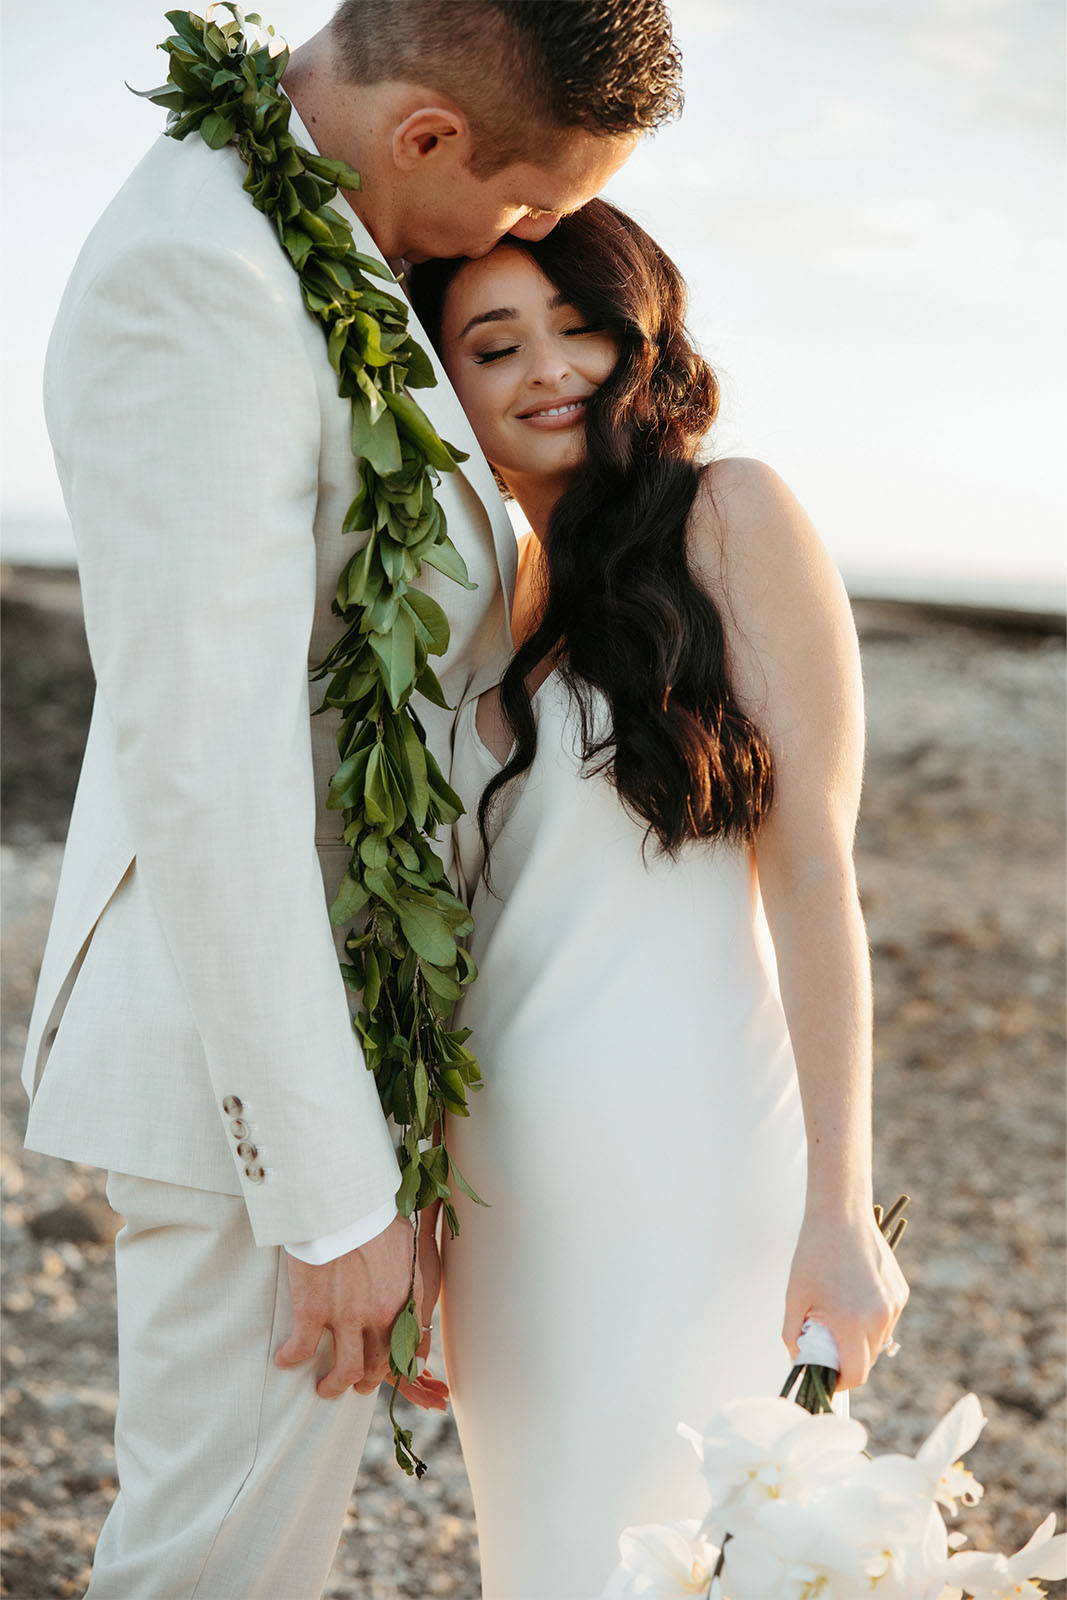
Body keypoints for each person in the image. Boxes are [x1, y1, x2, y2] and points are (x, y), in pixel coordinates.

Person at [17, 3, 683, 1594]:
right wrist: (326, 1199)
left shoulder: (310, 246)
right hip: (251, 1073)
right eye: (532, 207)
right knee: (217, 1562)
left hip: (349, 1032)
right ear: (428, 139)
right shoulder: (208, 278)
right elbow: (206, 758)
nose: (533, 240)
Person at [405, 199, 911, 1597]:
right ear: (447, 386)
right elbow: (471, 951)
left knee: (708, 1552)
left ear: (643, 335)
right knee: (552, 1559)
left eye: (578, 324)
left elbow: (812, 864)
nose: (548, 369)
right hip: (511, 1186)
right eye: (494, 346)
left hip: (697, 1160)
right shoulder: (480, 603)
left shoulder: (731, 514)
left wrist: (840, 1202)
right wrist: (428, 1223)